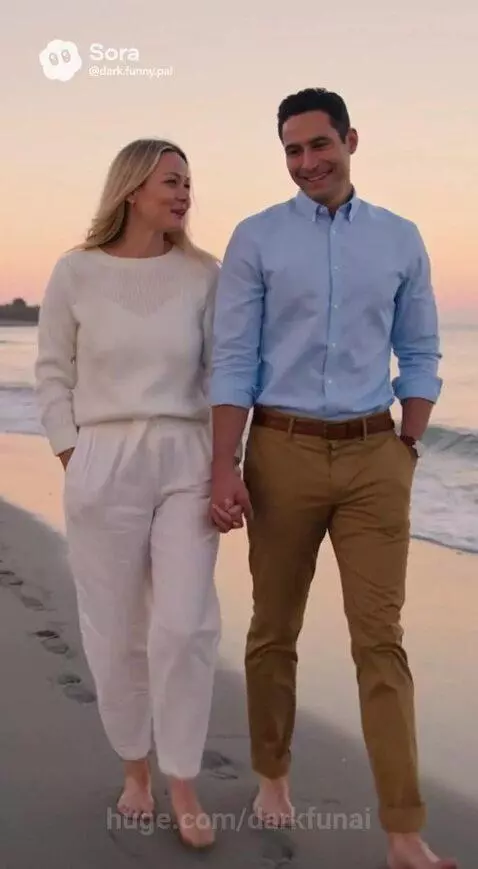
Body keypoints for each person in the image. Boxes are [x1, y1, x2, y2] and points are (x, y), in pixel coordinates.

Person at [208, 89, 457, 869]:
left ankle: (403, 831)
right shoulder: (256, 238)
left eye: (319, 145)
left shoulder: (400, 239)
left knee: (380, 641)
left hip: (373, 455)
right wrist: (225, 462)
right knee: (272, 629)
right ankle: (272, 776)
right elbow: (234, 359)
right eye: (292, 149)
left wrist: (407, 445)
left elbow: (420, 350)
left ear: (351, 139)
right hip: (278, 450)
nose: (307, 162)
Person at [35, 137, 231, 849]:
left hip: (186, 454)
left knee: (184, 623)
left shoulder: (206, 276)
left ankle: (183, 778)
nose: (184, 193)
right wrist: (72, 453)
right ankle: (136, 770)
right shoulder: (76, 272)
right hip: (103, 457)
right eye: (171, 181)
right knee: (115, 628)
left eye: (188, 182)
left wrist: (225, 464)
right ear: (131, 189)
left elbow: (221, 378)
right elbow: (53, 370)